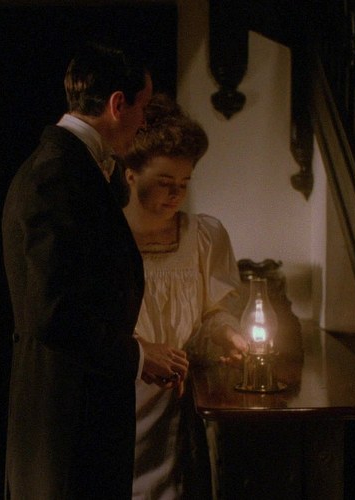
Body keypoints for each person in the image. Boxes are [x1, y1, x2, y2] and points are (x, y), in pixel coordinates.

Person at [1, 42, 190, 499]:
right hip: (66, 422)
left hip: (78, 413)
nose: (144, 123)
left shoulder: (74, 168)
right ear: (117, 105)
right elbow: (52, 313)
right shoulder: (56, 175)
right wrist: (138, 356)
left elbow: (81, 293)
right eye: (142, 108)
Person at [119, 94, 250, 499]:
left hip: (175, 401)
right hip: (120, 394)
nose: (175, 194)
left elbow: (214, 312)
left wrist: (227, 333)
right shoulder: (106, 238)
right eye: (164, 182)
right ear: (131, 175)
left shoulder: (204, 237)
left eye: (184, 183)